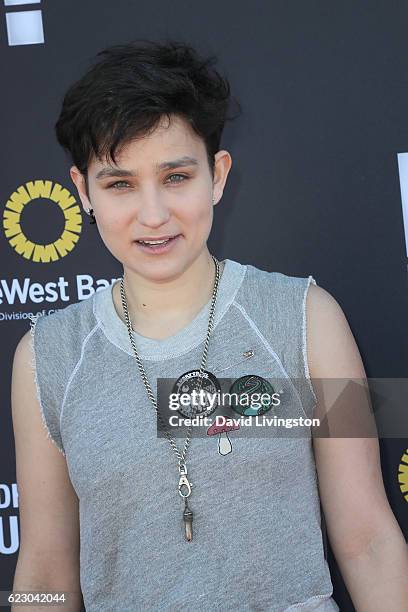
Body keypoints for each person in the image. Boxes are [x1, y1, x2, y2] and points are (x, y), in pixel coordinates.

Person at [11, 39, 408, 612]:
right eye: (120, 183)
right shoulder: (48, 358)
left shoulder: (303, 320)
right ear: (83, 191)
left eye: (175, 177)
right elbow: (45, 567)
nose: (153, 214)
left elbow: (367, 537)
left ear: (217, 176)